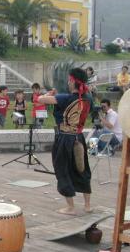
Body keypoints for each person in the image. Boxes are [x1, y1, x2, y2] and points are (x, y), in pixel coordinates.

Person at [38, 67, 93, 215]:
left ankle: (70, 207)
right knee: (82, 168)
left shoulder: (65, 97)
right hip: (79, 138)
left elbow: (40, 99)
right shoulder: (87, 98)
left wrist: (50, 93)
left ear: (73, 81)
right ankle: (87, 205)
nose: (68, 82)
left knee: (62, 170)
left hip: (64, 139)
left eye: (69, 80)